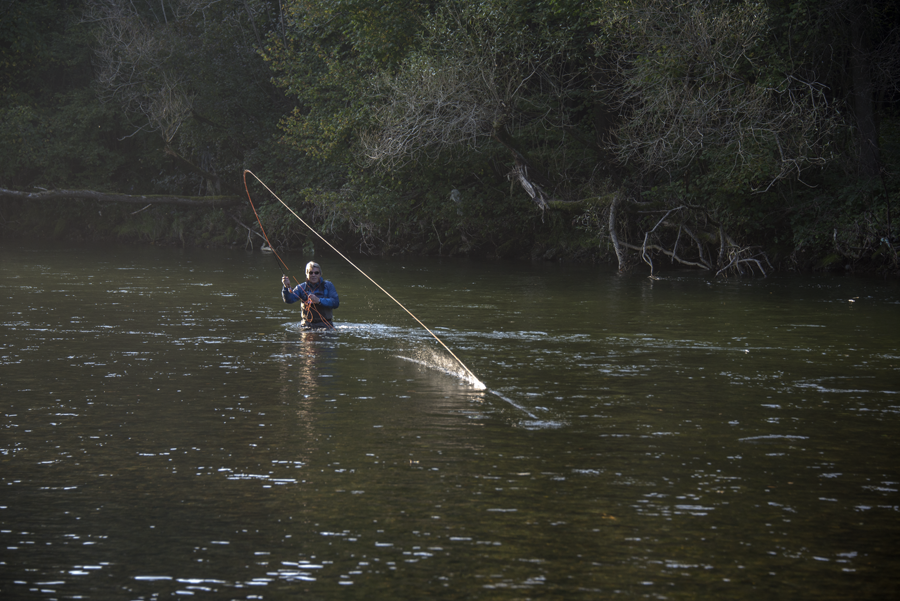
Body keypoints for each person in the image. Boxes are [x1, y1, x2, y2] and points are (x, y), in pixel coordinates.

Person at [282, 261, 339, 328]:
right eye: (311, 273)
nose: (313, 275)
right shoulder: (301, 287)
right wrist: (286, 288)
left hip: (325, 325)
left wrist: (319, 300)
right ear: (306, 274)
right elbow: (289, 300)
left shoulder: (328, 285)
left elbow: (335, 303)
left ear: (320, 274)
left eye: (316, 273)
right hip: (306, 325)